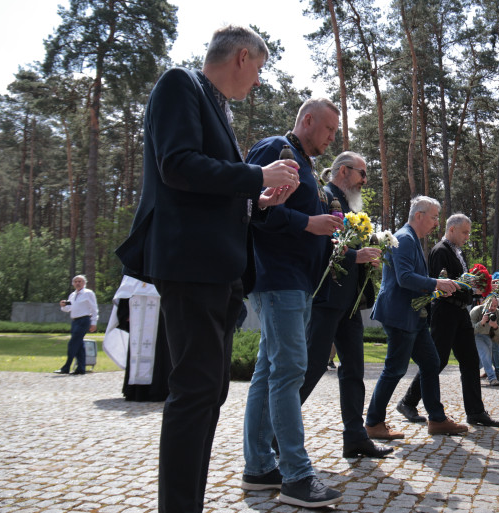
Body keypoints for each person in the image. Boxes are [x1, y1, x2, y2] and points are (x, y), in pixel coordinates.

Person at [114, 25, 299, 513]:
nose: (258, 80)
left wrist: (255, 198)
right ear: (241, 57)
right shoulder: (180, 83)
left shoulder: (218, 106)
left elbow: (210, 182)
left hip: (219, 266)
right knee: (195, 388)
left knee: (210, 389)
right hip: (191, 262)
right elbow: (177, 165)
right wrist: (255, 174)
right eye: (259, 69)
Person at [241, 98, 344, 508]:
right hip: (279, 278)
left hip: (296, 281)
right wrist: (309, 223)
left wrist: (328, 233)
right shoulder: (274, 150)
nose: (332, 139)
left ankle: (258, 468)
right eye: (329, 130)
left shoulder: (305, 163)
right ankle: (296, 477)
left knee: (269, 372)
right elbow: (255, 212)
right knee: (288, 372)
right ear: (306, 120)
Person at [298, 151, 391, 459]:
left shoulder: (351, 205)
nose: (366, 180)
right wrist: (355, 256)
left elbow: (348, 246)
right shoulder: (324, 198)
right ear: (343, 171)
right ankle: (275, 437)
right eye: (362, 174)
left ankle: (355, 437)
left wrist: (368, 258)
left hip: (350, 302)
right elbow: (319, 245)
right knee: (310, 369)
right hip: (326, 299)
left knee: (353, 370)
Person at [365, 196, 469, 440]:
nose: (436, 223)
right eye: (434, 217)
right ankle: (373, 423)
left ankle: (437, 419)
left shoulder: (410, 239)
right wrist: (437, 283)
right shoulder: (404, 238)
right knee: (394, 369)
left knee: (431, 363)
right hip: (401, 315)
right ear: (419, 215)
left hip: (413, 316)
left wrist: (436, 286)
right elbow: (404, 278)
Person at [396, 214, 499, 428]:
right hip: (444, 312)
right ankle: (407, 402)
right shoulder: (440, 251)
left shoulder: (458, 252)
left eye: (469, 232)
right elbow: (441, 285)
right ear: (452, 229)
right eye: (464, 232)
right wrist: (467, 289)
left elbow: (461, 285)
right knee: (437, 360)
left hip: (460, 312)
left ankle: (475, 412)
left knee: (471, 361)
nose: (467, 236)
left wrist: (476, 291)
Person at [103, 276, 171, 402]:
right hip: (137, 322)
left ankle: (158, 390)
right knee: (137, 351)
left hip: (159, 324)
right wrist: (125, 315)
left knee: (160, 352)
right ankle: (135, 390)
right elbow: (124, 296)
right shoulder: (133, 274)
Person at [55, 274, 98, 375]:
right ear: (73, 283)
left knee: (73, 343)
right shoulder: (72, 295)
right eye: (76, 281)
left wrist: (94, 322)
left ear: (84, 283)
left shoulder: (88, 293)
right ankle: (81, 368)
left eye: (80, 281)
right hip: (75, 321)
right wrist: (63, 305)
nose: (78, 283)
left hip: (84, 320)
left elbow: (94, 308)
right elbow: (68, 308)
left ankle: (66, 367)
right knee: (79, 345)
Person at [470, 295, 499, 386]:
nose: (493, 308)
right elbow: (469, 330)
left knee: (483, 360)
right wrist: (481, 322)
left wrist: (495, 326)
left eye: (495, 306)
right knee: (485, 355)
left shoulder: (498, 313)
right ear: (485, 303)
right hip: (477, 336)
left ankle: (467, 374)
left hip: (490, 337)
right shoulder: (476, 311)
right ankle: (492, 378)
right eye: (491, 305)